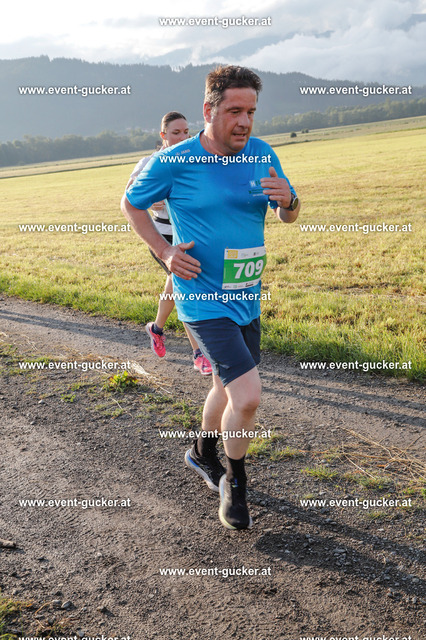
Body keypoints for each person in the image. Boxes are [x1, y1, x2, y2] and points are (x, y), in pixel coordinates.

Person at [121, 65, 301, 530]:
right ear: (209, 109)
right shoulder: (175, 161)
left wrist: (290, 202)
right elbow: (131, 204)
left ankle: (201, 452)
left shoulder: (262, 153)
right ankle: (235, 482)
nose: (244, 122)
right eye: (234, 111)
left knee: (223, 386)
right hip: (201, 299)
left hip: (247, 296)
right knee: (248, 396)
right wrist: (164, 252)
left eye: (251, 112)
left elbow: (288, 214)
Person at [126, 111, 212, 376]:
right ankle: (199, 354)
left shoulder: (194, 160)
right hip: (162, 239)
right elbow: (130, 195)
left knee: (179, 285)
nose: (183, 137)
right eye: (176, 133)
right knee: (185, 286)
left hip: (189, 237)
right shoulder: (149, 163)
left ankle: (156, 328)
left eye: (186, 132)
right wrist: (150, 199)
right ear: (163, 135)